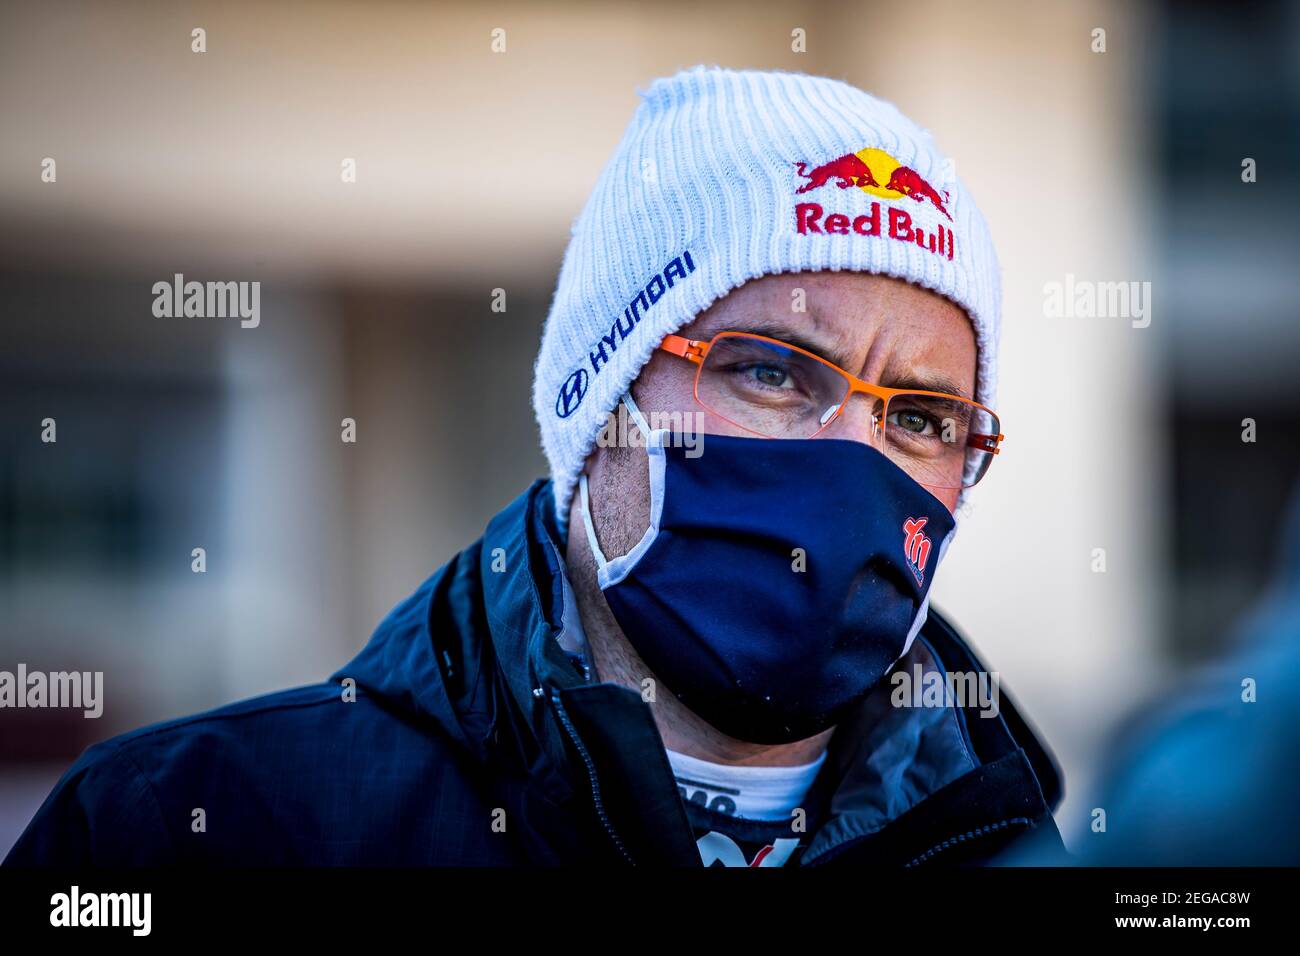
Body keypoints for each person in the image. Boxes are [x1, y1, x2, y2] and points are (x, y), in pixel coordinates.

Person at [5, 66, 1065, 867]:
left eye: (923, 414)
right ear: (598, 404)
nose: (851, 455)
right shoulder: (190, 831)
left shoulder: (1030, 857)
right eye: (773, 371)